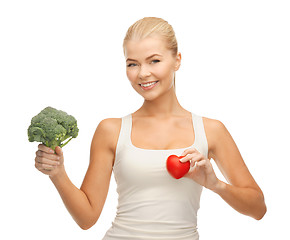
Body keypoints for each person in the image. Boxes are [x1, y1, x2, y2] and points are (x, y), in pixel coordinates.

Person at [34, 17, 267, 239]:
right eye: (132, 64)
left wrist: (215, 184)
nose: (143, 73)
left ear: (177, 60)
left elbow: (258, 209)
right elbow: (87, 218)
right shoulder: (111, 130)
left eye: (154, 60)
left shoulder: (211, 130)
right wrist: (58, 173)